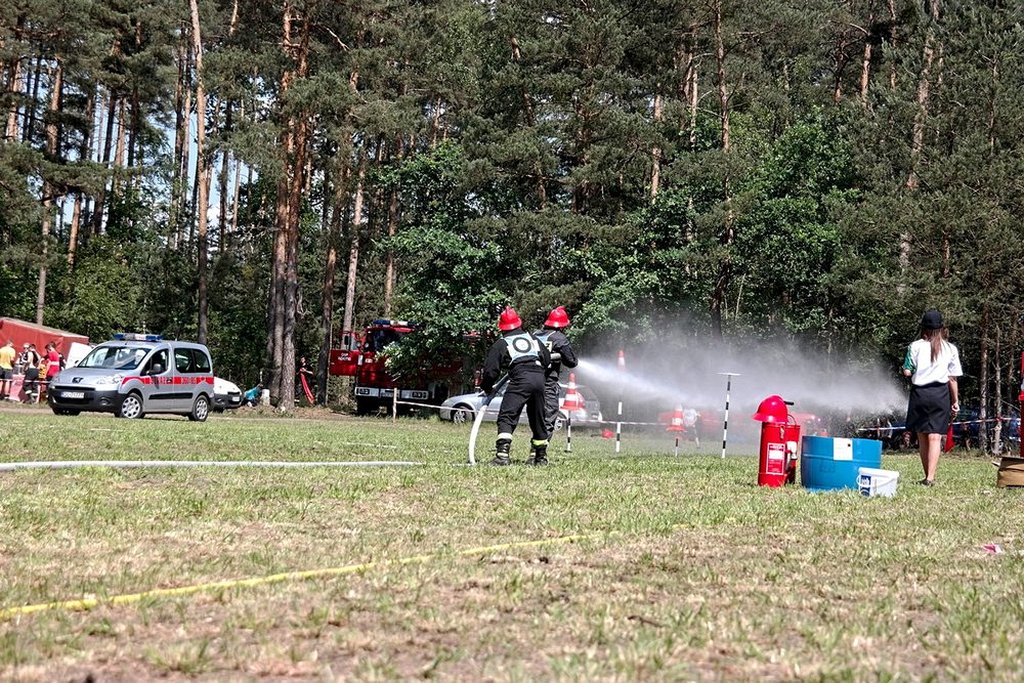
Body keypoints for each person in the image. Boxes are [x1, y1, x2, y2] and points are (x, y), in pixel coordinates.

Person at [481, 306, 551, 466]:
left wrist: (487, 388)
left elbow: (491, 371)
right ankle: (540, 457)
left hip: (520, 379)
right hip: (539, 379)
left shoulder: (501, 343)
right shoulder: (533, 338)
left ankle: (502, 456)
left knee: (507, 415)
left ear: (502, 328)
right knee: (537, 418)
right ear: (519, 324)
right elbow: (546, 359)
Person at [902, 309, 962, 486]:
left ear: (924, 328)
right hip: (940, 394)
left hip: (920, 394)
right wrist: (955, 401)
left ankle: (926, 475)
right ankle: (930, 477)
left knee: (922, 436)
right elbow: (952, 378)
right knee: (935, 436)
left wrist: (907, 370)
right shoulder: (950, 348)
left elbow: (907, 371)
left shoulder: (914, 346)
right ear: (942, 328)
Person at [531, 306, 579, 460]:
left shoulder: (534, 335)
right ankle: (538, 454)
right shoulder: (559, 338)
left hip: (529, 381)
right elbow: (571, 361)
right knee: (548, 416)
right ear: (562, 326)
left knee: (534, 416)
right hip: (548, 384)